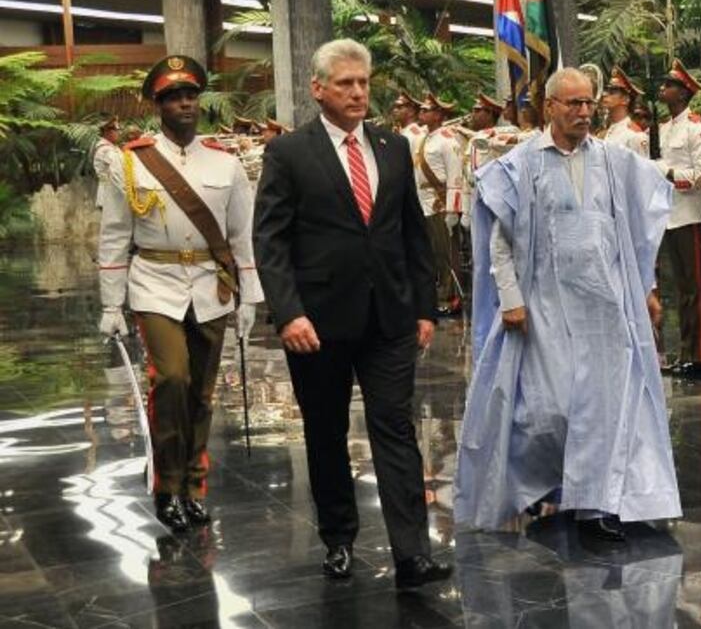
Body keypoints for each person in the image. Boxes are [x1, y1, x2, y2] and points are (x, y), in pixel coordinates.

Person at [253, 38, 450, 588]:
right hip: (316, 323)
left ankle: (412, 552)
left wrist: (425, 306)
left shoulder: (390, 147)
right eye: (345, 83)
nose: (358, 92)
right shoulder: (289, 152)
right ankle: (339, 539)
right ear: (318, 89)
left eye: (363, 82)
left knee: (394, 427)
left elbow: (412, 231)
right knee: (326, 430)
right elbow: (269, 240)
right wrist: (288, 313)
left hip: (389, 318)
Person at [456, 67, 680, 543]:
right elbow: (501, 240)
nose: (583, 112)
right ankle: (542, 484)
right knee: (549, 408)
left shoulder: (616, 162)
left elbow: (641, 232)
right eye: (572, 103)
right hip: (545, 306)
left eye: (588, 104)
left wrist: (646, 287)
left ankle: (595, 505)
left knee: (603, 408)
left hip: (605, 305)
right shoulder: (521, 163)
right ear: (550, 106)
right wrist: (510, 299)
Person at [96, 55, 262, 532]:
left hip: (212, 286)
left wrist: (249, 296)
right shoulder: (131, 163)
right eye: (173, 96)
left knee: (203, 393)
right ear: (158, 104)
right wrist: (111, 303)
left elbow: (241, 236)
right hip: (155, 283)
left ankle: (194, 486)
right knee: (170, 379)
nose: (184, 102)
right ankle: (166, 486)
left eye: (190, 94)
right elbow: (113, 235)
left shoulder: (226, 163)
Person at [656, 60, 701, 381]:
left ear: (683, 92)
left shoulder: (696, 126)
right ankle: (688, 350)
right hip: (670, 215)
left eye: (669, 85)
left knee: (696, 287)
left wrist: (668, 173)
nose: (663, 90)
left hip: (691, 213)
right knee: (682, 289)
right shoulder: (664, 128)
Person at [416, 92, 466, 317]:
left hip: (441, 203)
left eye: (426, 110)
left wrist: (453, 209)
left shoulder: (447, 139)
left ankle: (452, 297)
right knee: (434, 253)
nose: (421, 113)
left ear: (438, 115)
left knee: (446, 253)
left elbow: (455, 176)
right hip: (425, 202)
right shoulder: (427, 138)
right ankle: (439, 293)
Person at [600, 66, 650, 157]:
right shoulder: (608, 132)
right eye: (606, 91)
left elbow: (642, 169)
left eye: (612, 92)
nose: (605, 94)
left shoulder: (635, 134)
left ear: (625, 99)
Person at [92, 115, 122, 208]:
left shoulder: (112, 148)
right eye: (116, 130)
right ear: (107, 132)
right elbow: (119, 169)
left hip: (113, 193)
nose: (118, 133)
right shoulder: (105, 150)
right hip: (109, 194)